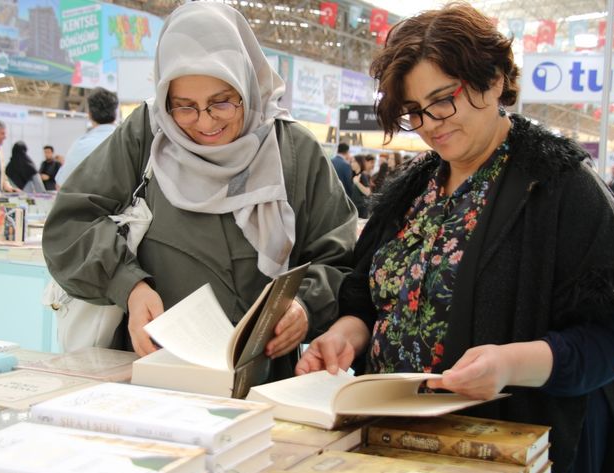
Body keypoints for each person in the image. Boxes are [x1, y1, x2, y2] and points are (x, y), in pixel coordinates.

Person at [295, 4, 614, 473]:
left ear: (493, 81)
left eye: (442, 100)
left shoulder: (559, 185)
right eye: (414, 112)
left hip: (504, 461)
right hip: (392, 450)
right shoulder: (411, 189)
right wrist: (344, 336)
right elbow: (367, 298)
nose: (429, 125)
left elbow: (608, 343)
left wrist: (511, 365)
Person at [42, 2, 356, 381]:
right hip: (154, 378)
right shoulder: (147, 135)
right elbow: (71, 224)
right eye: (185, 107)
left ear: (247, 85)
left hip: (261, 384)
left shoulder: (292, 151)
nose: (206, 122)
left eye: (223, 101)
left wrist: (304, 306)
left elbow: (338, 258)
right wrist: (129, 286)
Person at [57, 87, 118, 188]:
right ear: (115, 114)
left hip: (87, 202)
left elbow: (61, 185)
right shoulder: (130, 143)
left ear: (89, 115)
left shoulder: (80, 146)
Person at [350, 154, 371, 218]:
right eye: (351, 162)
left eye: (354, 161)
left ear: (359, 163)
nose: (352, 164)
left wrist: (357, 183)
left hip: (362, 208)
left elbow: (368, 192)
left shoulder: (363, 175)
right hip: (355, 207)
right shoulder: (355, 175)